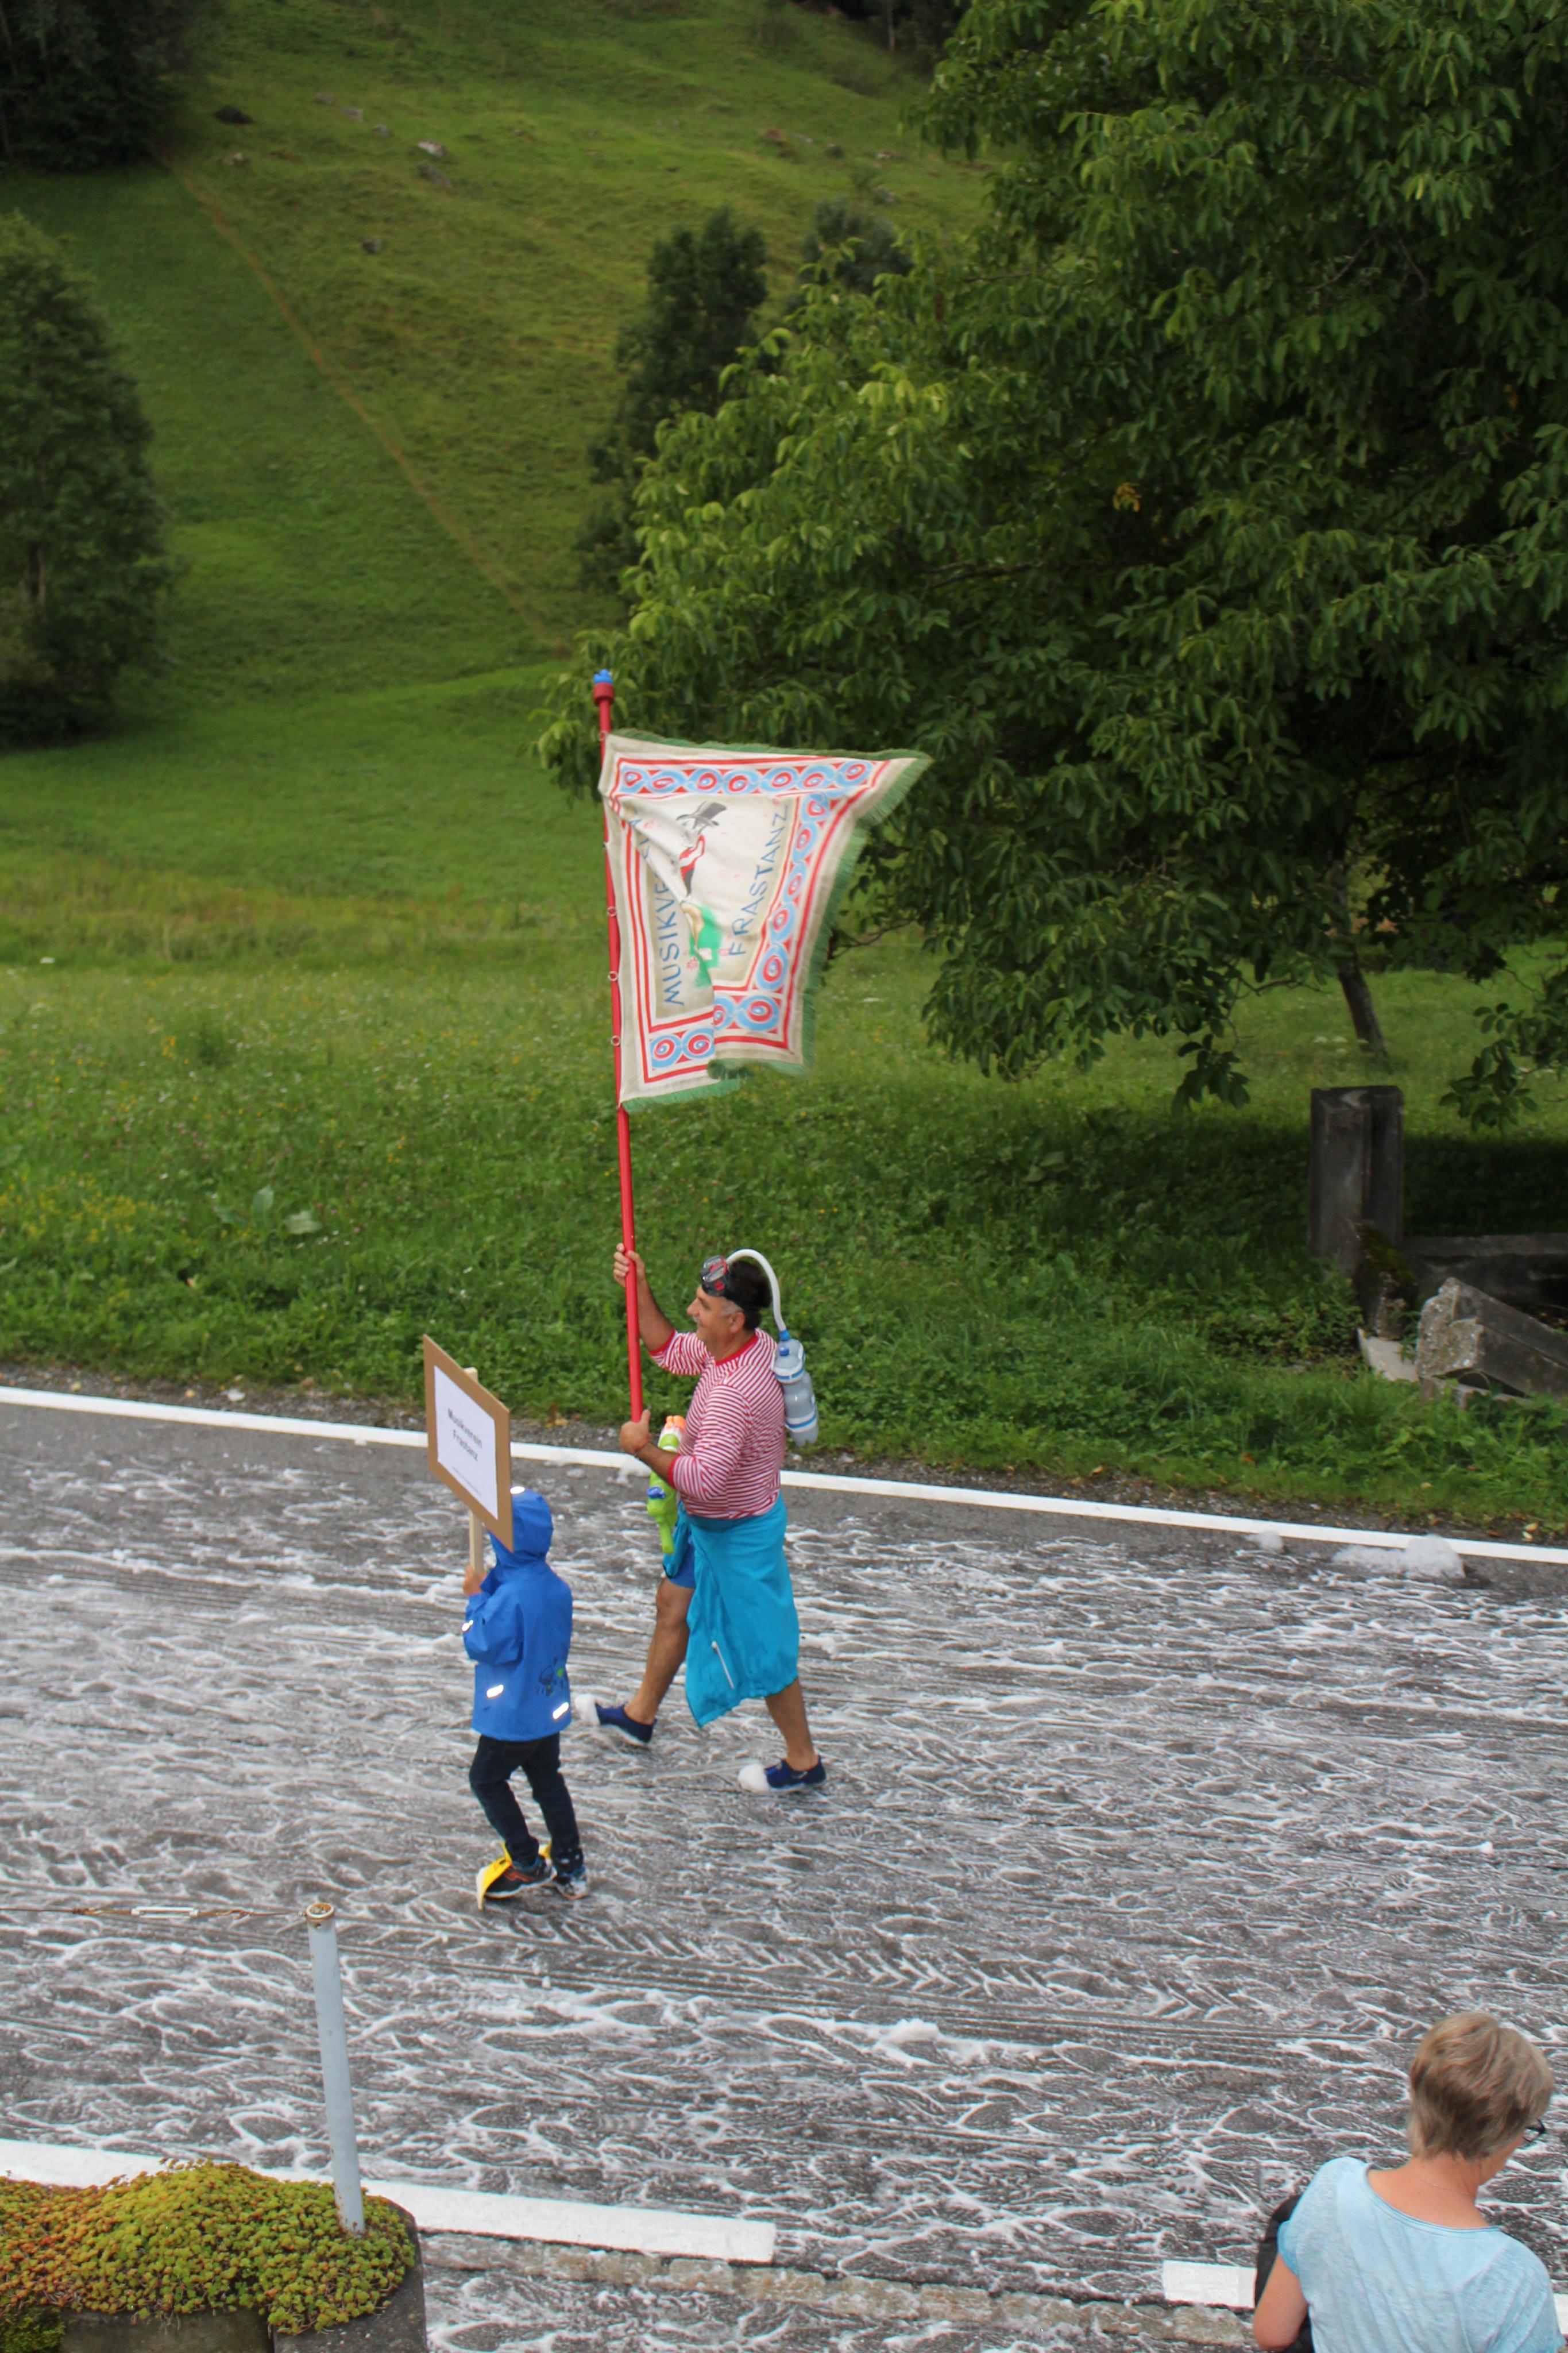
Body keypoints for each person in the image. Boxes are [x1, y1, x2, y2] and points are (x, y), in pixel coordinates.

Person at [594, 1244, 825, 1792]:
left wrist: (643, 1449)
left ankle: (803, 1761)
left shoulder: (731, 1396)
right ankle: (640, 1715)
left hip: (738, 1535)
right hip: (710, 1526)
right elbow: (669, 1350)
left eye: (702, 1305)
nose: (692, 1311)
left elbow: (701, 1481)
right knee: (673, 1604)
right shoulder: (747, 1346)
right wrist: (638, 1286)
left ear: (733, 1319)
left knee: (766, 1649)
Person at [1253, 2012, 1560, 2353]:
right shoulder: (1516, 2280)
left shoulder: (1334, 2188)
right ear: (1503, 2135)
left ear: (1417, 2094)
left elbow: (1272, 2334)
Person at [463, 1485, 588, 1900]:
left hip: (513, 1714)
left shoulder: (510, 1596)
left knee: (486, 1779)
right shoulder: (556, 1587)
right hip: (546, 1704)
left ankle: (526, 1860)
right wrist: (491, 1588)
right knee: (547, 1780)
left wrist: (476, 1600)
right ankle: (571, 1866)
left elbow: (481, 1643)